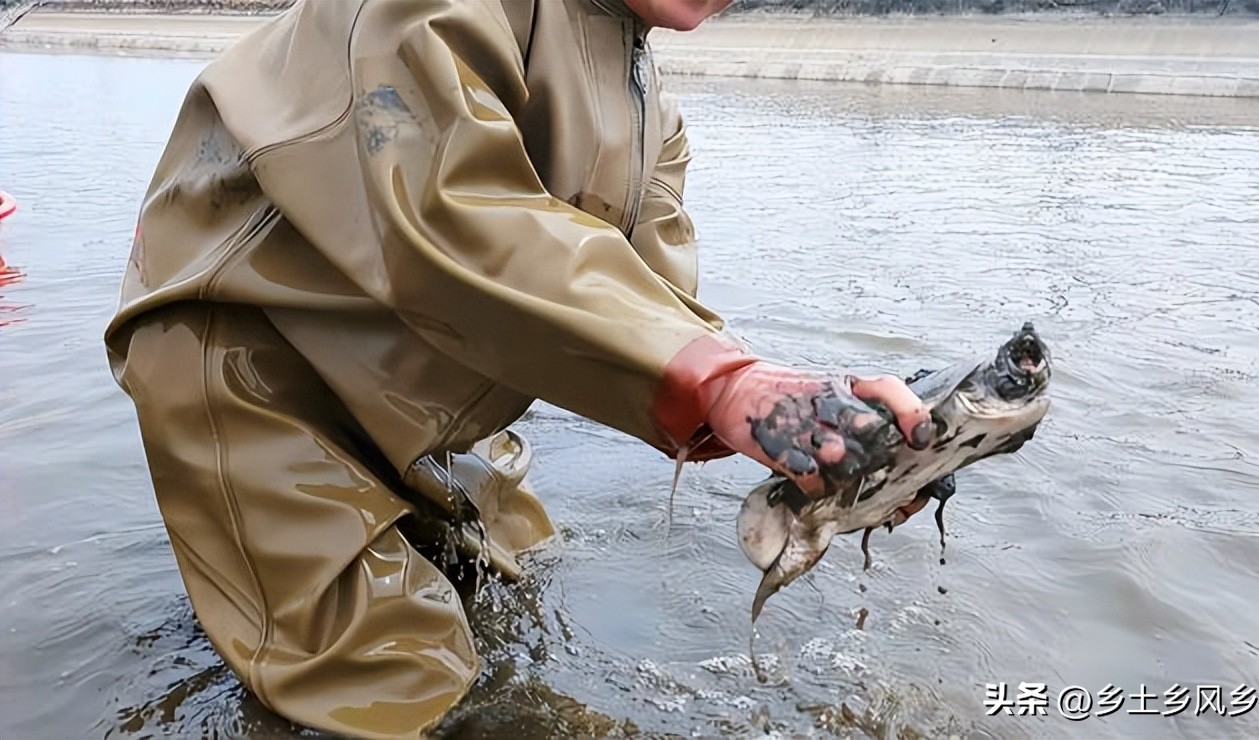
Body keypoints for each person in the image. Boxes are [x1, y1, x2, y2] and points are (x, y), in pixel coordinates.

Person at [105, 0, 933, 736]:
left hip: (423, 378)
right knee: (393, 685)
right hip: (257, 367)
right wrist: (719, 380)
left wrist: (820, 435)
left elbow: (656, 315)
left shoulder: (647, 96)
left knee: (519, 575)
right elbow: (452, 207)